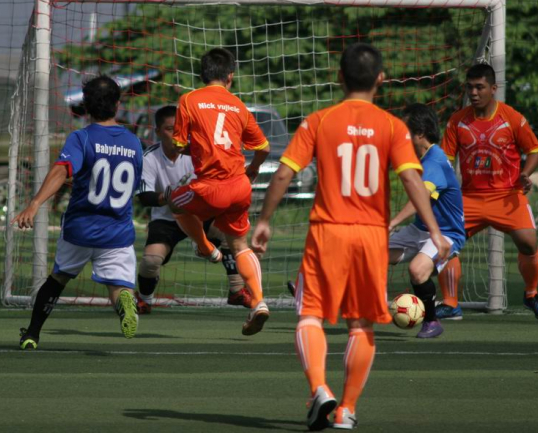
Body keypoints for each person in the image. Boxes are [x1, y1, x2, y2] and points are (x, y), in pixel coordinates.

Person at [251, 43, 450, 430]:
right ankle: (347, 410)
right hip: (372, 237)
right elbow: (412, 179)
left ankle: (319, 389)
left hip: (328, 233)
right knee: (361, 325)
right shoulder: (393, 126)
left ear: (340, 77)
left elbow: (283, 174)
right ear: (380, 79)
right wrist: (437, 232)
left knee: (310, 316)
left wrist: (264, 220)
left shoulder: (319, 120)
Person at [12, 75, 143, 349]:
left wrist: (35, 204)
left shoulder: (82, 138)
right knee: (118, 286)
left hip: (81, 228)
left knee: (58, 279)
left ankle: (32, 334)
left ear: (85, 105)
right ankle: (124, 303)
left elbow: (62, 169)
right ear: (118, 105)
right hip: (117, 232)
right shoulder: (133, 143)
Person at [168, 47, 272, 336]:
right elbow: (263, 149)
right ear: (230, 76)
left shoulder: (189, 99)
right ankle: (260, 302)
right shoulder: (238, 106)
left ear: (202, 75)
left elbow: (176, 146)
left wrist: (189, 147)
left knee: (174, 203)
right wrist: (252, 170)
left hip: (210, 186)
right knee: (240, 245)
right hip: (239, 186)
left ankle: (204, 246)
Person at [437, 63, 538, 321]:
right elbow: (445, 159)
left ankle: (531, 294)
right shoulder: (457, 121)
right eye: (470, 87)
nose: (474, 92)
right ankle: (450, 302)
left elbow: (535, 150)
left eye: (480, 87)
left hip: (507, 195)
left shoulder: (511, 117)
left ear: (493, 89)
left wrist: (525, 173)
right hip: (469, 198)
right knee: (444, 243)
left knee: (528, 243)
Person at [135, 105, 252, 313]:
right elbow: (144, 197)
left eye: (181, 128)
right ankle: (144, 299)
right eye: (170, 129)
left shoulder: (199, 152)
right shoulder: (149, 157)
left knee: (229, 232)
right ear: (158, 132)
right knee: (150, 260)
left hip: (200, 214)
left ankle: (236, 290)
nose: (177, 133)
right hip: (167, 219)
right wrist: (168, 198)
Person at [388, 103, 466, 339]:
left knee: (417, 271)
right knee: (374, 254)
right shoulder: (420, 158)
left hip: (446, 234)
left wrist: (392, 223)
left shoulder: (435, 161)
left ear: (419, 133)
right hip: (421, 229)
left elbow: (419, 197)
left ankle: (431, 321)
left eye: (406, 130)